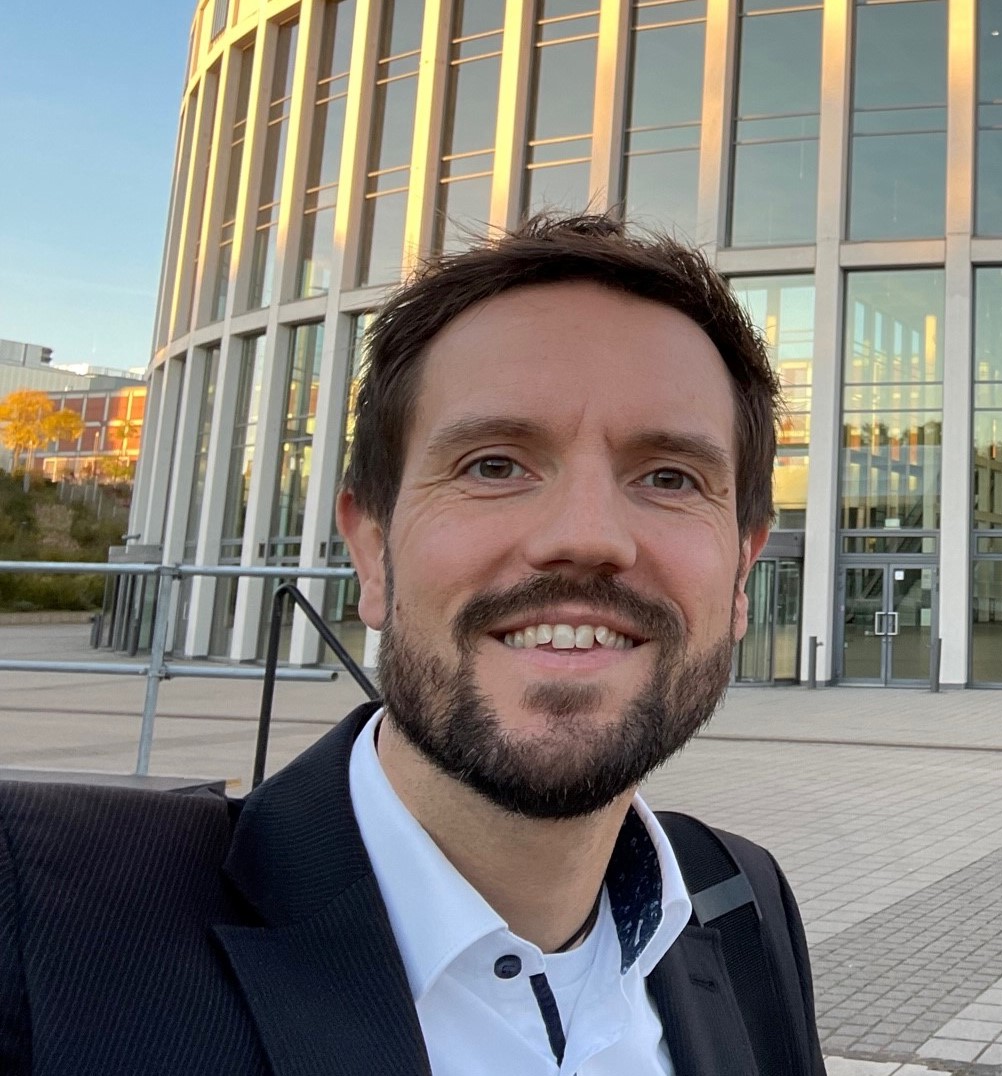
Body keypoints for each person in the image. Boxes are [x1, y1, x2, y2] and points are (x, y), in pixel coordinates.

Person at [0, 214, 825, 1075]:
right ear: (371, 551)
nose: (586, 536)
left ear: (741, 571)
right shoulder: (46, 918)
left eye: (669, 478)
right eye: (494, 465)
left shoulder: (740, 899)